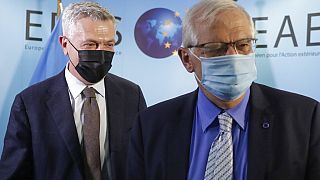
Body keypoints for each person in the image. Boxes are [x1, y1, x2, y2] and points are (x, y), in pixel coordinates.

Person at [126, 0, 320, 179]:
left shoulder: (305, 118)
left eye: (243, 45)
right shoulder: (151, 125)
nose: (233, 57)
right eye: (215, 47)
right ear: (187, 59)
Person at [0, 2, 146, 180]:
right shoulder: (30, 103)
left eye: (108, 44)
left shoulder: (132, 95)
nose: (101, 53)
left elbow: (143, 163)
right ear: (64, 44)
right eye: (90, 44)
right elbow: (14, 174)